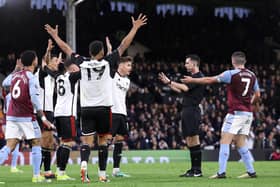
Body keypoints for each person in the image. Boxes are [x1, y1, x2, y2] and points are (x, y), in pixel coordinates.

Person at [45, 13, 147, 183]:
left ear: (90, 52)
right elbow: (123, 45)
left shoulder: (82, 63)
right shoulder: (107, 62)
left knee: (86, 140)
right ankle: (102, 174)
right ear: (101, 51)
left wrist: (55, 36)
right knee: (103, 141)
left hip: (86, 109)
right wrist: (135, 27)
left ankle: (84, 163)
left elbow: (67, 50)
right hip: (104, 108)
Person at [181, 51, 261, 178]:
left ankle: (221, 172)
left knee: (225, 140)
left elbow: (209, 80)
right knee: (240, 143)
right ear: (244, 61)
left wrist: (193, 79)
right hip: (247, 114)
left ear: (233, 61)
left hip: (235, 113)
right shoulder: (252, 75)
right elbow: (257, 95)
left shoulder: (231, 74)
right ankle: (251, 171)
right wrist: (249, 104)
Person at [0, 50, 54, 183]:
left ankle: (36, 176)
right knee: (36, 142)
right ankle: (36, 176)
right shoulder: (31, 77)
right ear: (34, 61)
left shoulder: (16, 75)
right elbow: (35, 100)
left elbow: (5, 84)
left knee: (10, 145)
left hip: (12, 116)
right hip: (26, 117)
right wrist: (43, 118)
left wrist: (16, 70)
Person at [158, 54, 205, 177]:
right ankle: (193, 169)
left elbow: (184, 87)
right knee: (189, 140)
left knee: (194, 139)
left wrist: (170, 81)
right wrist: (169, 84)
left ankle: (197, 170)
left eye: (187, 63)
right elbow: (181, 90)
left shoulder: (198, 77)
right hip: (186, 110)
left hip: (192, 110)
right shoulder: (192, 77)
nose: (185, 65)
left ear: (194, 64)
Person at [36, 39, 60, 179]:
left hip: (50, 111)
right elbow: (43, 62)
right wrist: (48, 51)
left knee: (48, 142)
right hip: (43, 111)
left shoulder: (52, 76)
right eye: (55, 61)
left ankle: (46, 171)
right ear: (48, 63)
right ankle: (37, 171)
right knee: (43, 141)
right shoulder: (43, 74)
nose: (57, 63)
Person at [54, 59, 80, 181]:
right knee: (68, 143)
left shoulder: (59, 77)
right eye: (76, 67)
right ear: (72, 69)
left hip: (58, 113)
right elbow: (85, 71)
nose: (78, 69)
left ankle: (58, 170)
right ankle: (62, 172)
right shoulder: (72, 77)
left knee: (62, 143)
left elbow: (50, 71)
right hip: (67, 114)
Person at [111, 56, 133, 177]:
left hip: (122, 114)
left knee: (119, 140)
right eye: (128, 65)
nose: (130, 68)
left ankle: (116, 170)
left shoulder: (127, 81)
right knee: (107, 141)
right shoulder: (112, 76)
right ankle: (101, 171)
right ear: (121, 65)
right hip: (112, 112)